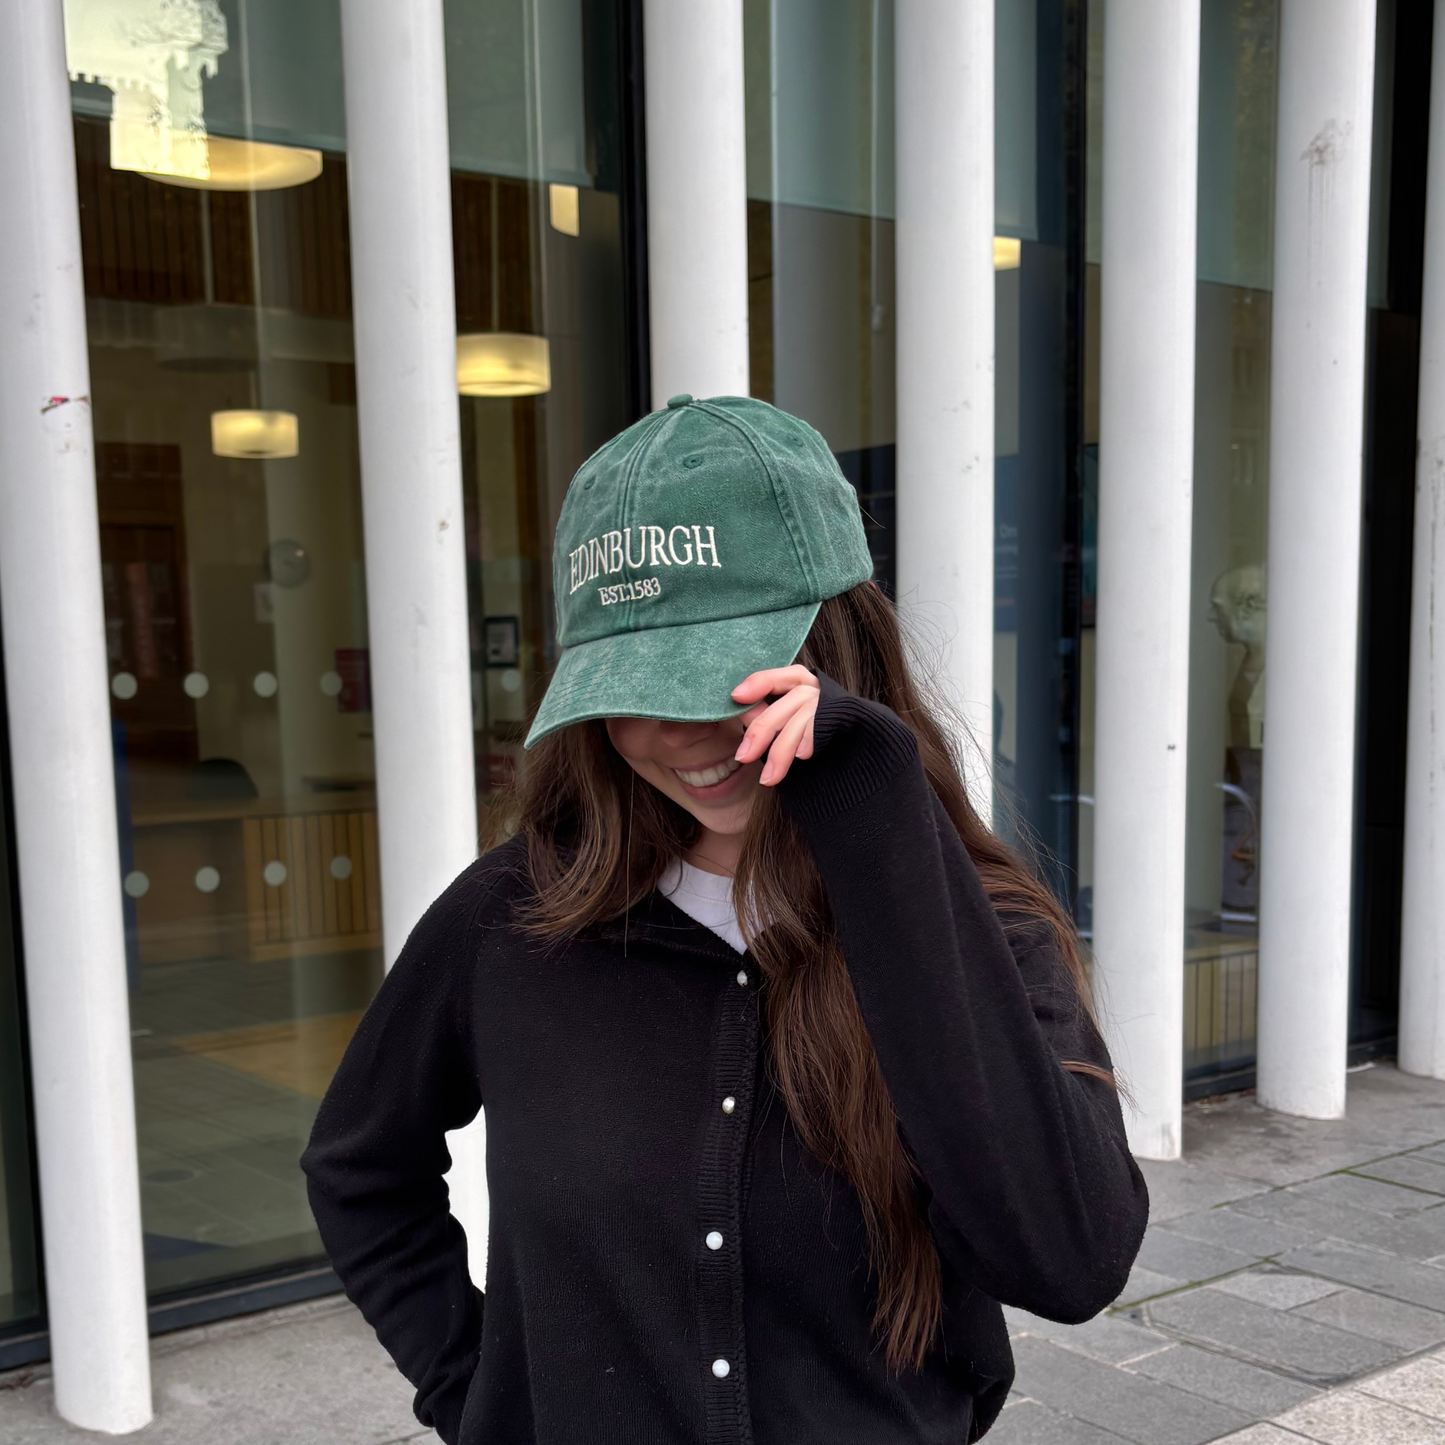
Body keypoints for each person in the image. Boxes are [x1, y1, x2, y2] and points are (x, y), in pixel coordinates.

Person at [302, 395, 1149, 1445]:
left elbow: (1068, 1263)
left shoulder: (978, 924)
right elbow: (356, 1164)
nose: (682, 731)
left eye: (724, 676)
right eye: (634, 685)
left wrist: (882, 829)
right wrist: (476, 1393)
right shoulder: (509, 920)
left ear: (835, 645)